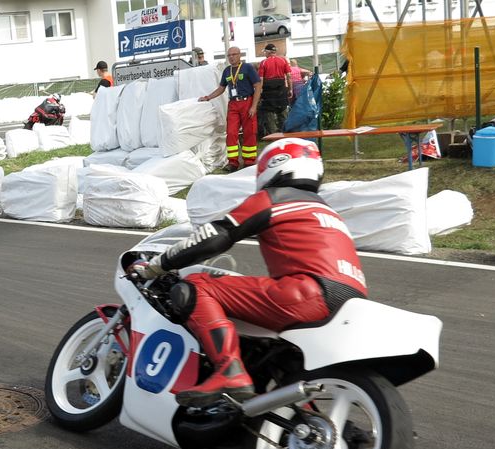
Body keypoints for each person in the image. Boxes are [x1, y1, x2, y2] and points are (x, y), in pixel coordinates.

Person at [128, 138, 368, 407]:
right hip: (350, 302)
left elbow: (214, 236)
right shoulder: (328, 212)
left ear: (274, 166)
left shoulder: (273, 198)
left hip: (307, 292)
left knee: (197, 286)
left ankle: (229, 370)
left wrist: (157, 265)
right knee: (278, 356)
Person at [198, 46, 262, 172]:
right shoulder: (227, 71)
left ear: (239, 55)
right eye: (229, 55)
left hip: (247, 102)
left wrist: (254, 106)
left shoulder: (248, 68)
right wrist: (208, 97)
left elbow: (258, 86)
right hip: (233, 104)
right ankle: (233, 162)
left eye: (234, 54)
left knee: (249, 132)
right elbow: (221, 88)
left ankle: (249, 161)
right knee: (231, 133)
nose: (231, 57)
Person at [257, 43, 292, 137]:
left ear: (268, 52)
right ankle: (286, 135)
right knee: (283, 112)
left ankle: (274, 136)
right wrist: (290, 89)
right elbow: (289, 76)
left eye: (265, 52)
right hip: (281, 89)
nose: (265, 54)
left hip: (268, 91)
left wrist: (259, 93)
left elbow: (261, 80)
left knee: (269, 115)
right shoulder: (283, 60)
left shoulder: (263, 63)